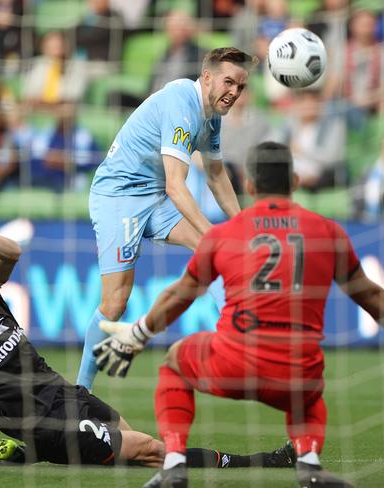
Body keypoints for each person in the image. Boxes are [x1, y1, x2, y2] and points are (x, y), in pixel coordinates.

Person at [93, 141, 384, 488]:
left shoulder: (225, 234)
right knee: (312, 395)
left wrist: (139, 334)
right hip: (296, 374)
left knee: (174, 362)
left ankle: (173, 464)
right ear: (295, 182)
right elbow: (369, 294)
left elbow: (181, 294)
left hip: (232, 362)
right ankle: (309, 463)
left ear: (249, 185)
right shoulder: (327, 232)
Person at [0, 211, 296, 470]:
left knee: (126, 433)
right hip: (38, 418)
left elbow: (12, 252)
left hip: (61, 391)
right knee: (150, 449)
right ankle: (259, 462)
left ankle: (20, 452)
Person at [77, 47, 258, 390]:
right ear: (207, 77)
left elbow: (216, 174)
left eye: (241, 87)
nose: (234, 92)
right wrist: (216, 233)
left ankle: (239, 341)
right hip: (120, 195)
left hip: (154, 194)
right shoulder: (180, 102)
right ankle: (79, 392)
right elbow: (177, 186)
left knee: (214, 251)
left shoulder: (211, 115)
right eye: (229, 82)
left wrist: (242, 226)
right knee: (115, 303)